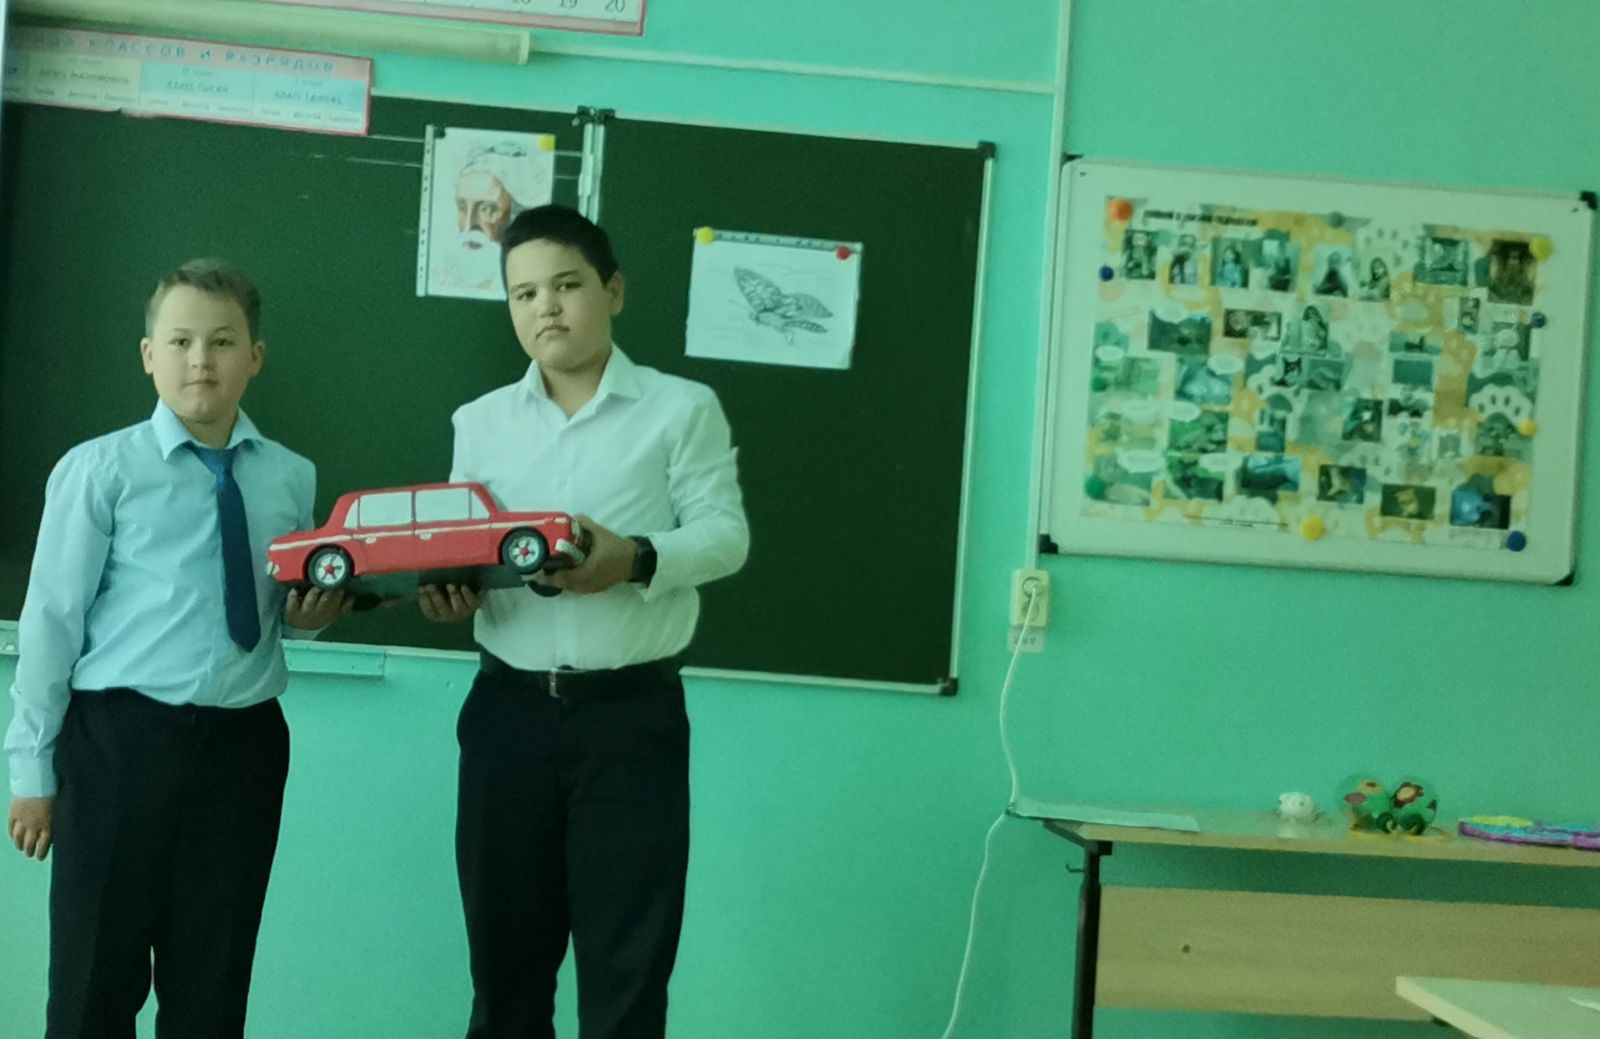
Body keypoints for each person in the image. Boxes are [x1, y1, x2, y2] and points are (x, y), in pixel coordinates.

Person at [419, 205, 749, 1039]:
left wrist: (634, 558)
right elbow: (463, 547)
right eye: (524, 293)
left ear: (614, 291)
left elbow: (725, 535)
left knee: (627, 979)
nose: (546, 307)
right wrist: (451, 590)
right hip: (507, 719)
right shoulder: (479, 421)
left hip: (630, 723)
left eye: (566, 285)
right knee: (505, 978)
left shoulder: (681, 408)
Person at [5, 259, 347, 1037]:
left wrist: (314, 615)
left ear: (254, 356)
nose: (201, 359)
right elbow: (51, 623)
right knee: (94, 980)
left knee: (212, 985)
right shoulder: (99, 470)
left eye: (223, 341)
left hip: (242, 750)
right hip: (119, 744)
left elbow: (284, 617)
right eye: (182, 340)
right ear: (148, 354)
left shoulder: (290, 476)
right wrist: (32, 770)